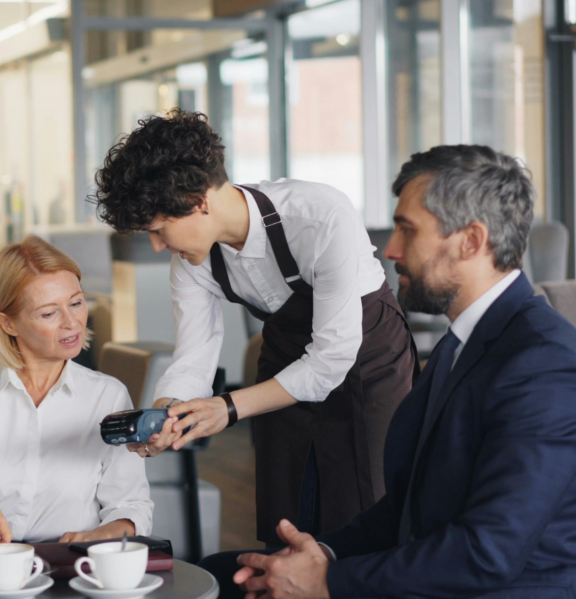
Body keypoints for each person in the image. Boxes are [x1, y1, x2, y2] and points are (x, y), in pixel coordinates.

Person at [212, 144, 576, 598]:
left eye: (407, 230)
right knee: (220, 574)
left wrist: (327, 582)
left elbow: (487, 553)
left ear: (471, 240)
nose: (389, 250)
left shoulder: (544, 366)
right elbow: (407, 507)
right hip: (434, 577)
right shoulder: (459, 347)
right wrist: (320, 554)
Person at [91, 110, 417, 544]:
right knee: (288, 512)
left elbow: (331, 358)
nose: (157, 245)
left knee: (369, 510)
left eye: (158, 230)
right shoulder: (191, 261)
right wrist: (169, 413)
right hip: (285, 356)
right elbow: (194, 356)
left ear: (197, 202)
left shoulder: (319, 215)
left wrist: (225, 408)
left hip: (367, 361)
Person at [0, 236, 153, 544]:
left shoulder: (108, 396)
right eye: (49, 313)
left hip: (74, 570)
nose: (72, 323)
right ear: (7, 323)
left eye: (76, 303)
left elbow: (131, 505)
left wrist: (97, 537)